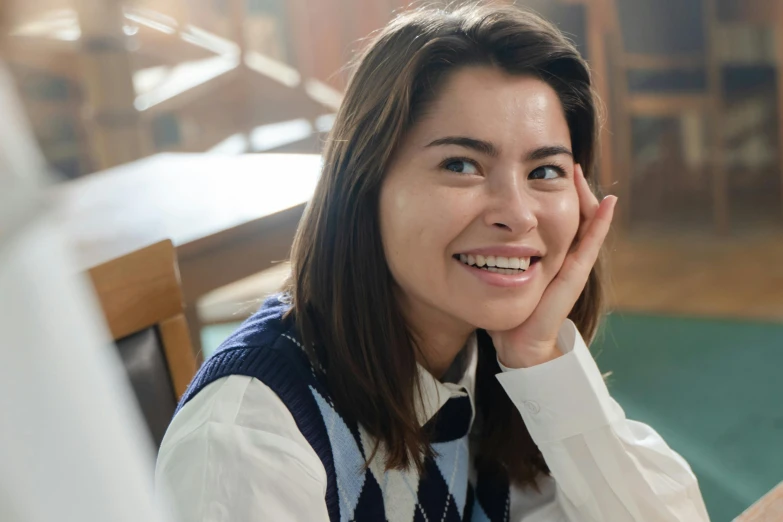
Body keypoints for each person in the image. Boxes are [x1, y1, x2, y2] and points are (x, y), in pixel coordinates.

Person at [155, 4, 710, 521]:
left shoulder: (497, 363)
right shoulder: (247, 438)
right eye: (461, 164)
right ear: (363, 184)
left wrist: (541, 362)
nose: (517, 215)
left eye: (544, 172)